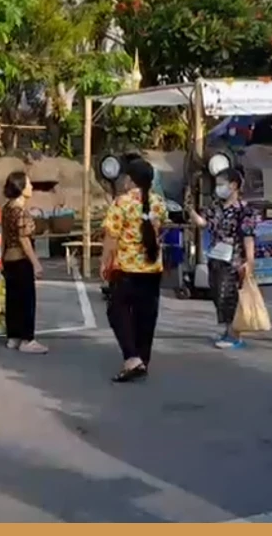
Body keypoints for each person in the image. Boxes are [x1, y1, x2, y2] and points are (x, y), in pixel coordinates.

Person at [101, 156, 168, 383]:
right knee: (146, 315)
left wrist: (104, 263)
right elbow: (161, 227)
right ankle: (143, 359)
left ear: (129, 180)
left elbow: (111, 237)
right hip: (153, 268)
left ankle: (131, 358)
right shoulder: (158, 202)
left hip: (126, 268)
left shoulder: (121, 203)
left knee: (117, 311)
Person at [189, 167, 258, 349]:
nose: (218, 188)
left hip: (234, 259)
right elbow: (205, 224)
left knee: (230, 296)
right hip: (216, 257)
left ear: (234, 185)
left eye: (221, 184)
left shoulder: (244, 210)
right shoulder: (216, 207)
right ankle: (228, 330)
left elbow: (248, 236)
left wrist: (249, 261)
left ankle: (235, 335)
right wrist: (192, 213)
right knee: (218, 295)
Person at [1, 172, 48, 353]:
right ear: (21, 188)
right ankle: (27, 339)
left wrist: (1, 257)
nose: (32, 187)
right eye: (29, 184)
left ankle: (13, 336)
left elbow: (4, 234)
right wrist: (35, 263)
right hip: (21, 260)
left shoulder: (6, 208)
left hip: (9, 259)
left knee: (12, 299)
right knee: (27, 300)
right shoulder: (21, 212)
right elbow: (24, 240)